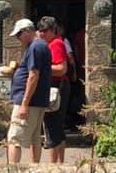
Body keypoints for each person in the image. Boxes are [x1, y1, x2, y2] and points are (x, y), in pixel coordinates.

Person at [7, 18, 52, 163]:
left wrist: (24, 103)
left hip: (29, 102)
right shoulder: (39, 45)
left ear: (27, 31)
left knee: (14, 138)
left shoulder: (35, 47)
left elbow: (33, 75)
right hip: (36, 101)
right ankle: (35, 171)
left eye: (19, 35)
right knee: (34, 138)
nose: (18, 39)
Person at [37, 16, 70, 163]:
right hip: (58, 87)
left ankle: (53, 167)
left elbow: (62, 69)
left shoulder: (55, 44)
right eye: (40, 30)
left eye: (44, 31)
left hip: (56, 87)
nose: (41, 34)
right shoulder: (53, 43)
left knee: (51, 127)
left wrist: (42, 68)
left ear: (51, 30)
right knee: (57, 127)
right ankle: (60, 164)